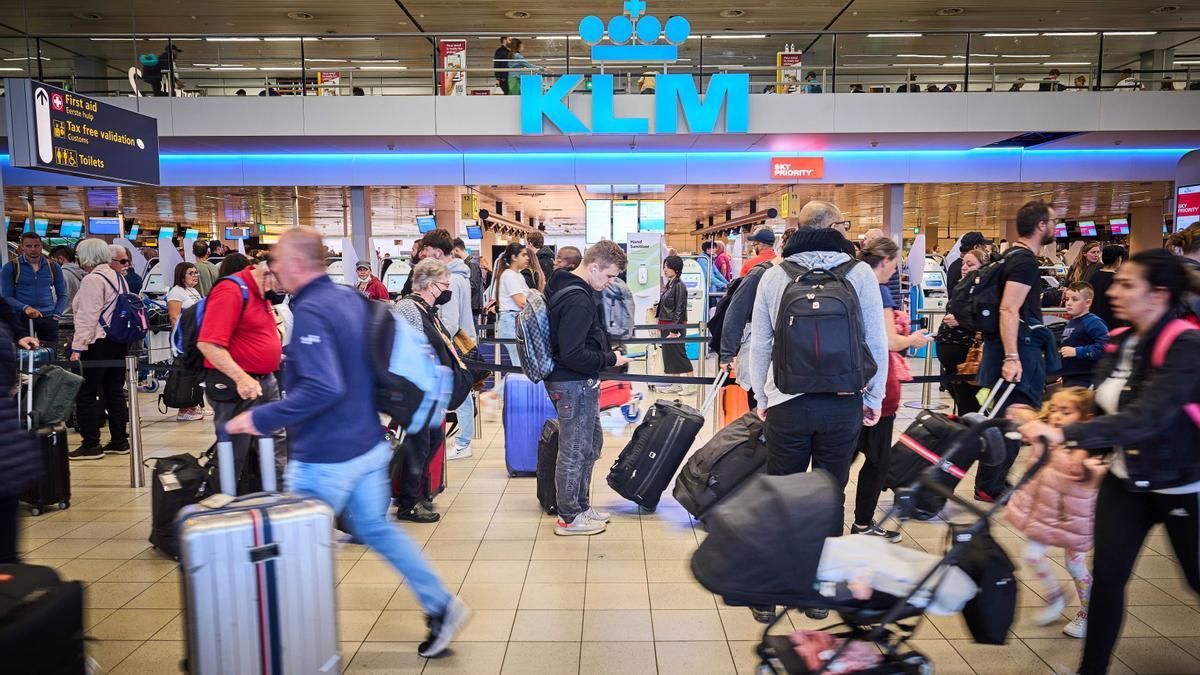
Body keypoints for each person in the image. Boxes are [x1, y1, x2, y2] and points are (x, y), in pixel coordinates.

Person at [225, 228, 469, 657]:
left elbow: (323, 388)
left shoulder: (314, 310)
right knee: (376, 528)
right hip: (369, 444)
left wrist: (258, 417)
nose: (271, 268)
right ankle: (441, 605)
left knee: (296, 549)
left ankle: (294, 646)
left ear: (298, 264)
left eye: (277, 260)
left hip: (327, 453)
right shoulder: (349, 298)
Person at [1018, 249, 1200, 674]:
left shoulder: (1186, 346)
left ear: (1158, 294)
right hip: (1124, 480)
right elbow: (1105, 408)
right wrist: (1071, 435)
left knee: (1195, 577)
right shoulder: (1121, 340)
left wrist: (1065, 434)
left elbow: (1146, 417)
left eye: (1126, 284)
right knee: (1108, 582)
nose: (1113, 289)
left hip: (1178, 482)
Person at [748, 206, 889, 515]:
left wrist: (761, 395)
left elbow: (760, 343)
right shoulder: (860, 273)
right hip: (842, 399)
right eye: (845, 224)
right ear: (833, 227)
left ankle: (786, 561)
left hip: (786, 399)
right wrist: (874, 396)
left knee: (783, 494)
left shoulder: (774, 275)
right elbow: (876, 340)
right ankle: (825, 558)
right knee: (829, 493)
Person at [544, 240, 630, 535]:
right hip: (572, 383)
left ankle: (580, 506)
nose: (609, 284)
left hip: (575, 382)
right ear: (593, 266)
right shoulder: (578, 299)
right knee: (575, 449)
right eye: (608, 276)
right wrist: (610, 358)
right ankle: (568, 517)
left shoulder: (564, 287)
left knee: (589, 445)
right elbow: (573, 353)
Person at [975, 200, 1056, 502]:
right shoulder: (1024, 262)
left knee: (1003, 418)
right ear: (1040, 226)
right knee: (1011, 419)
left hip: (1003, 348)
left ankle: (991, 484)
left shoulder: (1008, 256)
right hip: (1016, 350)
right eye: (1053, 222)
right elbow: (1009, 307)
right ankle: (991, 485)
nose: (1055, 227)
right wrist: (1012, 357)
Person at [852, 238, 932, 542]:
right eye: (895, 264)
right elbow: (888, 342)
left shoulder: (850, 281)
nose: (895, 271)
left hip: (850, 381)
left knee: (843, 455)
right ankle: (862, 523)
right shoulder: (879, 289)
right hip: (879, 385)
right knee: (877, 459)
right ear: (884, 260)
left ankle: (821, 515)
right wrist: (912, 339)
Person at [1006, 388, 1101, 639]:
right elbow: (1031, 432)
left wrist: (1046, 433)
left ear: (1086, 418)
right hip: (1046, 513)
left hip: (1075, 519)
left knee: (1075, 565)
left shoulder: (1090, 447)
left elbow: (1084, 471)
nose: (1057, 416)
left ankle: (1088, 613)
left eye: (1066, 412)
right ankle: (1056, 594)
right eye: (1055, 409)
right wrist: (1024, 416)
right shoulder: (1046, 434)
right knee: (1032, 555)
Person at [197, 256, 287, 489]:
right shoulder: (231, 290)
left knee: (275, 442)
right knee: (233, 448)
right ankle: (221, 503)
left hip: (265, 380)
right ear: (269, 273)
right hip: (235, 385)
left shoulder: (261, 294)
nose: (283, 292)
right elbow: (208, 344)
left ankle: (278, 501)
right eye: (283, 284)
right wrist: (241, 378)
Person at [392, 259, 455, 522]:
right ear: (429, 285)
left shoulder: (427, 309)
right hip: (413, 389)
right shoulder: (407, 307)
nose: (447, 289)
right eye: (444, 284)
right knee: (417, 445)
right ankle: (408, 503)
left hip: (426, 389)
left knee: (430, 441)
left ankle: (416, 495)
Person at [66, 240, 131, 460]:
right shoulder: (119, 277)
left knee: (85, 393)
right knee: (114, 392)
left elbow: (87, 316)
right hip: (118, 342)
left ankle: (91, 444)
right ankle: (120, 441)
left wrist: (77, 347)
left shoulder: (93, 280)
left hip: (97, 343)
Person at [419, 229, 476, 461]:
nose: (424, 255)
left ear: (438, 252)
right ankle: (463, 440)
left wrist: (435, 342)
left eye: (427, 251)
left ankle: (464, 442)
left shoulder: (451, 279)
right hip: (460, 342)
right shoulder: (458, 275)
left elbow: (449, 322)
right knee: (461, 391)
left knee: (460, 393)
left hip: (454, 344)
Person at [938, 249, 987, 414]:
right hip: (952, 363)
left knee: (970, 407)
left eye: (970, 264)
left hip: (968, 359)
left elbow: (986, 320)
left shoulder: (984, 291)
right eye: (963, 263)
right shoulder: (962, 286)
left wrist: (960, 321)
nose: (964, 267)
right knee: (963, 404)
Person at [2, 232, 66, 344]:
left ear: (41, 246)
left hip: (48, 317)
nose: (33, 249)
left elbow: (62, 294)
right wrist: (25, 308)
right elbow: (6, 296)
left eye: (36, 246)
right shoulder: (11, 267)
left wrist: (56, 315)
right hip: (21, 318)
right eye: (28, 246)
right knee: (23, 353)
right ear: (22, 247)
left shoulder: (53, 266)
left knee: (50, 352)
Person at [165, 262, 207, 421]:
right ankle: (184, 409)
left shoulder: (193, 291)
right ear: (182, 275)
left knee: (195, 374)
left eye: (196, 273)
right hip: (184, 340)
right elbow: (174, 318)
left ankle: (194, 404)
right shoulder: (176, 292)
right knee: (184, 375)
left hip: (197, 338)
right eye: (191, 273)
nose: (195, 275)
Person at [1058, 282, 1109, 388]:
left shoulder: (1093, 322)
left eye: (1075, 299)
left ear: (1088, 302)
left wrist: (1077, 351)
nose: (1069, 303)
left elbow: (1105, 347)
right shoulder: (1071, 322)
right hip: (1070, 378)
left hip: (1086, 380)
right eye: (1067, 299)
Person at [656, 256, 695, 395]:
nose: (665, 269)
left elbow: (680, 309)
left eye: (667, 266)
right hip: (666, 324)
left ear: (676, 269)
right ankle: (676, 383)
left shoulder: (679, 285)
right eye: (664, 266)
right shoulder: (671, 284)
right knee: (670, 356)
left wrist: (674, 329)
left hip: (674, 326)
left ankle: (692, 385)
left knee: (680, 354)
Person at [493, 243, 531, 366]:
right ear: (514, 257)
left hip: (516, 322)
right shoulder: (509, 275)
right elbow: (521, 302)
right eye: (523, 255)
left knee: (521, 365)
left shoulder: (517, 275)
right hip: (511, 323)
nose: (527, 258)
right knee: (519, 366)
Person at [1088, 245, 1126, 329]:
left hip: (1094, 322)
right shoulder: (1118, 280)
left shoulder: (1094, 276)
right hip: (1112, 324)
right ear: (1118, 259)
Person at [453, 238, 484, 321]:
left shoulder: (472, 264)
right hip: (469, 306)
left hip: (472, 307)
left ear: (456, 250)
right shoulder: (466, 263)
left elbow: (473, 286)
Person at [50, 246, 86, 311]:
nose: (51, 264)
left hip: (62, 317)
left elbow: (54, 300)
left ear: (60, 259)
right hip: (78, 316)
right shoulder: (84, 273)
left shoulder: (61, 275)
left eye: (53, 260)